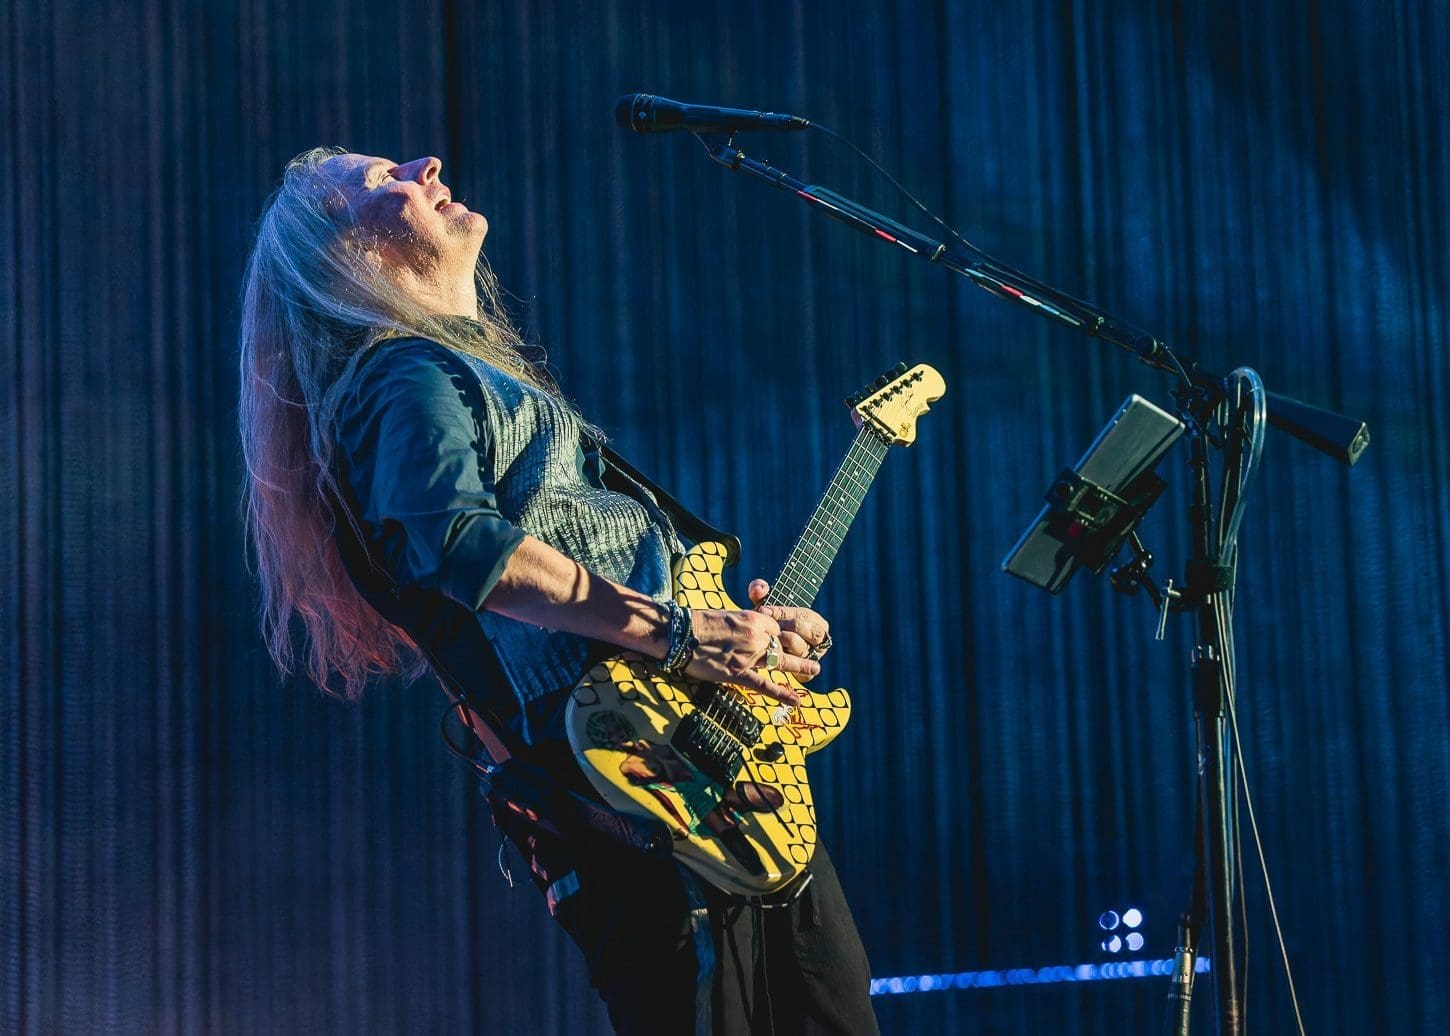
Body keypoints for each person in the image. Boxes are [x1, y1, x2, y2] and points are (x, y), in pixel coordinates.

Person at [238, 147, 878, 1033]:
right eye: (382, 177)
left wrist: (745, 634)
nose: (427, 164)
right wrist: (684, 633)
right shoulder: (401, 372)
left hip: (713, 778)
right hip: (637, 796)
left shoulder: (468, 377)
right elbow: (461, 543)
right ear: (343, 250)